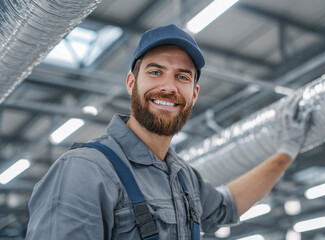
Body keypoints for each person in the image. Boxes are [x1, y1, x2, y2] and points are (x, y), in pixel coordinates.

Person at [26, 24, 310, 239]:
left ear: (194, 93)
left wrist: (285, 152)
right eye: (155, 72)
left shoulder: (183, 177)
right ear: (131, 82)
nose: (169, 87)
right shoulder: (84, 171)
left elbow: (227, 205)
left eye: (182, 77)